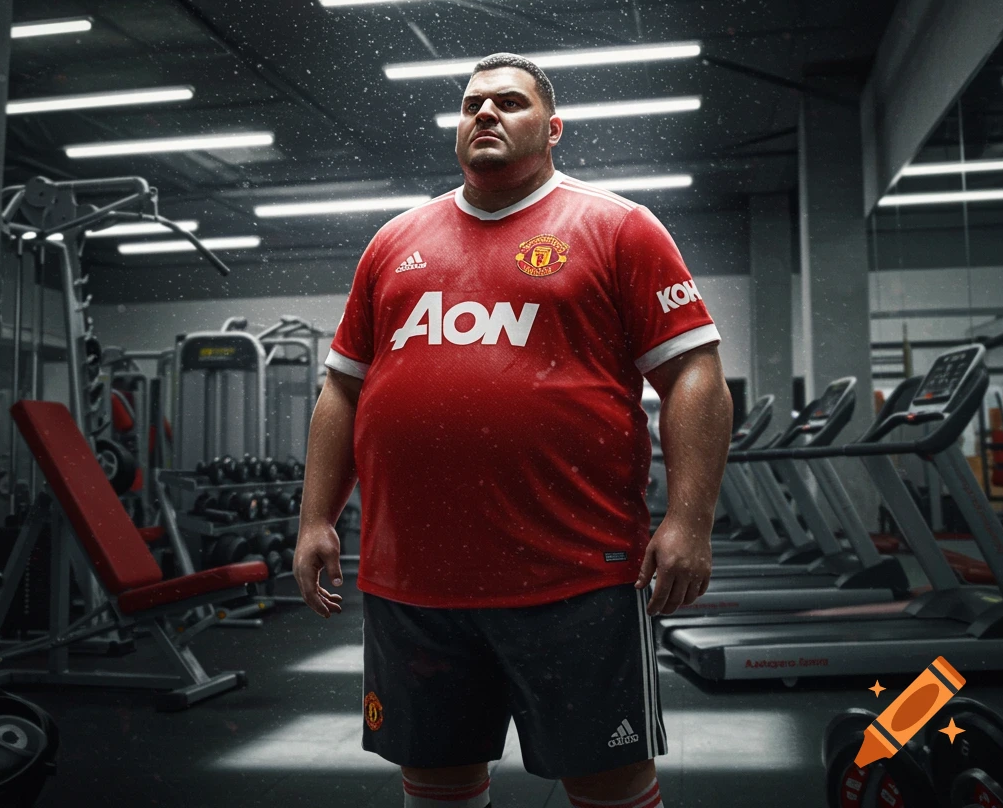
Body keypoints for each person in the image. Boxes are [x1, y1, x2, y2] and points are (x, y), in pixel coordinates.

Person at [294, 53, 733, 808]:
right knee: (435, 778)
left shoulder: (617, 227)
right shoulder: (395, 241)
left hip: (575, 575)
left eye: (509, 103)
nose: (485, 115)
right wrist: (314, 520)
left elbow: (695, 373)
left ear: (553, 128)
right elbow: (342, 387)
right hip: (415, 579)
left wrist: (691, 520)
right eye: (471, 106)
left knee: (608, 779)